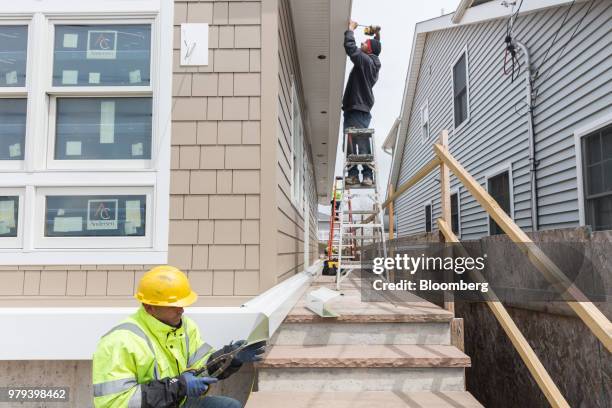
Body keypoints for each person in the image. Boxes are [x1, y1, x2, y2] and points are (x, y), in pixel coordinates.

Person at [92, 265, 265, 408]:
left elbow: (201, 369)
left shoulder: (185, 326)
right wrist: (179, 385)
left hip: (177, 402)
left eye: (182, 304)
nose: (181, 310)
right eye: (173, 305)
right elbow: (115, 403)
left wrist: (230, 357)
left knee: (229, 406)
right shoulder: (119, 342)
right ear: (149, 307)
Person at [342, 19, 382, 187]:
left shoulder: (364, 61)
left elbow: (350, 48)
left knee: (352, 143)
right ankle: (367, 175)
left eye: (365, 43)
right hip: (362, 109)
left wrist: (350, 30)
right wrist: (377, 35)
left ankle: (354, 175)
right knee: (363, 143)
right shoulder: (373, 63)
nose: (361, 43)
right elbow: (376, 47)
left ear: (369, 50)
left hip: (356, 108)